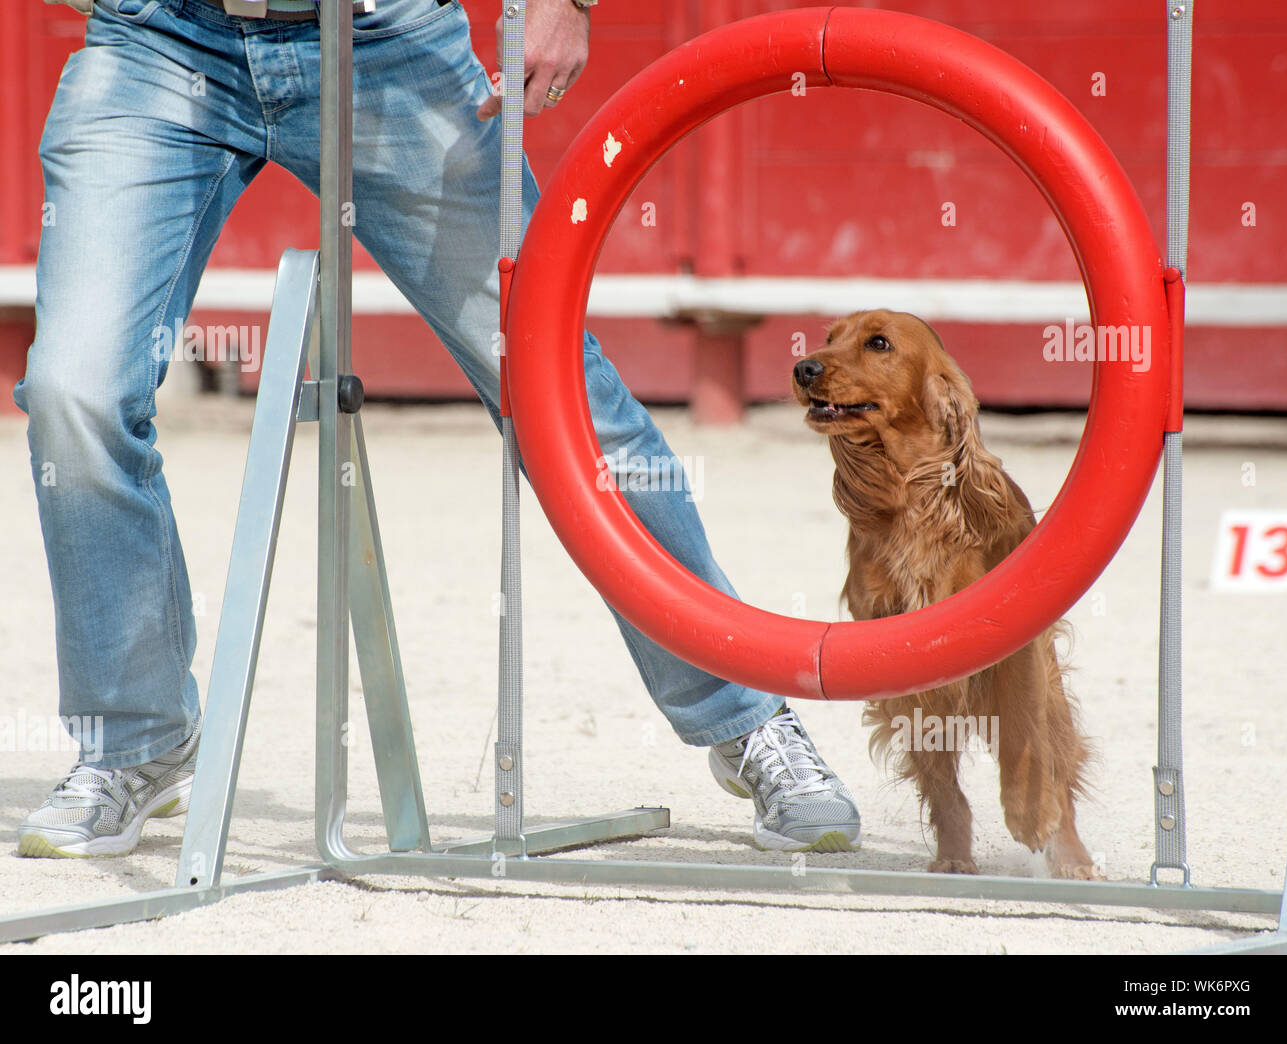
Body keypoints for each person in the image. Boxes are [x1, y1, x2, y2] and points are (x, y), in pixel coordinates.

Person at [16, 0, 861, 858]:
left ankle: (744, 715)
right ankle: (134, 741)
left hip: (384, 41)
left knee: (555, 387)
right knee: (72, 392)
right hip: (161, 37)